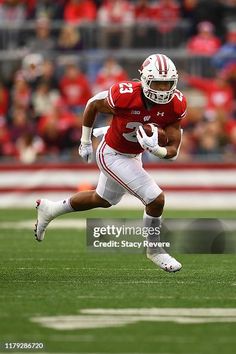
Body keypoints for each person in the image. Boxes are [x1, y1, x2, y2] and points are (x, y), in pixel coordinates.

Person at [34, 54, 187, 273]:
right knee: (155, 199)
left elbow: (173, 150)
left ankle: (50, 209)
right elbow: (93, 104)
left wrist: (157, 150)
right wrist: (85, 141)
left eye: (167, 84)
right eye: (157, 83)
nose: (163, 89)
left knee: (103, 199)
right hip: (112, 153)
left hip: (133, 155)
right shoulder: (125, 95)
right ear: (144, 80)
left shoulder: (176, 103)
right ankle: (155, 250)